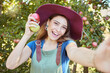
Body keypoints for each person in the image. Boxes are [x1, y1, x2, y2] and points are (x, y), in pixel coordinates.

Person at [6, 4, 110, 73]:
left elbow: (75, 52)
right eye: (56, 23)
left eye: (63, 27)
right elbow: (10, 65)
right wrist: (26, 35)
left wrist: (95, 59)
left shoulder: (67, 44)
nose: (58, 29)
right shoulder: (33, 45)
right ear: (48, 22)